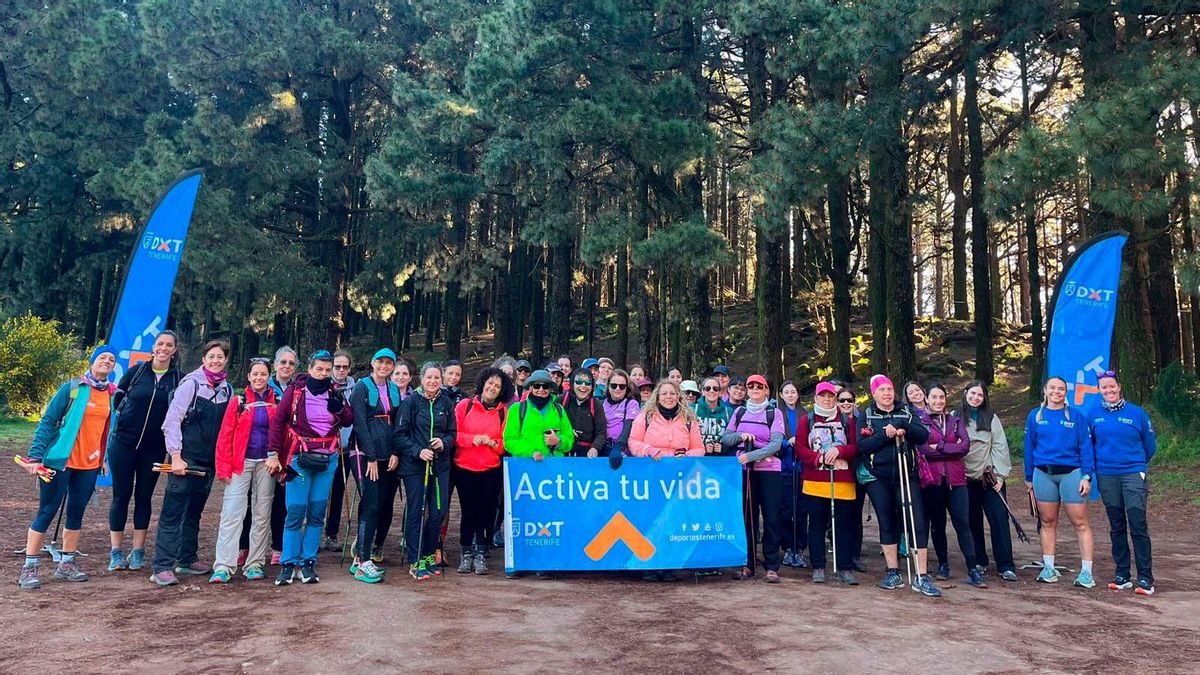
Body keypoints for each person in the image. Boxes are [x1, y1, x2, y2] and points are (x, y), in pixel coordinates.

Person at [19, 346, 118, 589]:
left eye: (112, 359)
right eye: (102, 357)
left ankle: (67, 564)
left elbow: (106, 431)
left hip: (89, 465)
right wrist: (35, 457)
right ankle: (29, 568)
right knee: (47, 510)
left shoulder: (112, 394)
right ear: (92, 362)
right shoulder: (73, 388)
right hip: (59, 461)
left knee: (76, 512)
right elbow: (48, 421)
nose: (107, 361)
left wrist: (103, 458)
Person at [268, 350, 355, 586]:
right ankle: (288, 563)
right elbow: (278, 422)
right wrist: (273, 454)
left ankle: (308, 562)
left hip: (328, 460)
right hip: (300, 458)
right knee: (295, 511)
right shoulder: (296, 391)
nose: (324, 374)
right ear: (310, 369)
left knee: (317, 513)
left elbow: (348, 419)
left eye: (328, 370)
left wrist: (339, 409)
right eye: (320, 369)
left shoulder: (334, 392)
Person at [152, 340, 233, 587]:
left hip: (207, 463)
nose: (216, 361)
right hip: (184, 460)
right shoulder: (190, 384)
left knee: (194, 512)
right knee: (173, 512)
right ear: (204, 358)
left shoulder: (227, 390)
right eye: (211, 356)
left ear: (226, 360)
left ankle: (186, 559)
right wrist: (176, 456)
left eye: (220, 357)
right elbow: (172, 421)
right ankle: (162, 566)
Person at [857, 374, 941, 597]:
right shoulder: (867, 414)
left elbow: (923, 435)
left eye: (889, 389)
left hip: (907, 474)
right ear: (873, 393)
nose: (886, 394)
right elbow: (863, 446)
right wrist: (886, 433)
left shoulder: (905, 410)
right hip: (879, 477)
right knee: (887, 521)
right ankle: (892, 571)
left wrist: (902, 425)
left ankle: (921, 576)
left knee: (916, 521)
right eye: (881, 390)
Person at [107, 331, 181, 573]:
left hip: (154, 448)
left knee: (144, 497)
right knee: (121, 496)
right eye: (160, 343)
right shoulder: (137, 372)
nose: (164, 348)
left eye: (169, 345)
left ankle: (138, 551)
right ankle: (116, 552)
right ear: (153, 347)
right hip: (124, 444)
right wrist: (126, 421)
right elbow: (117, 398)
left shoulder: (178, 378)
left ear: (174, 350)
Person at [209, 358, 279, 583]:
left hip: (266, 464)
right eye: (255, 374)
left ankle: (255, 563)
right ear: (248, 376)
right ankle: (223, 565)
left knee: (261, 513)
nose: (259, 378)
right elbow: (225, 435)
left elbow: (282, 433)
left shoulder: (276, 401)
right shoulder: (238, 402)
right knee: (232, 513)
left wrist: (280, 463)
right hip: (241, 462)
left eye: (263, 374)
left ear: (269, 377)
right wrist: (223, 467)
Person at [628, 379, 704, 582]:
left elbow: (699, 449)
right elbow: (633, 442)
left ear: (678, 396)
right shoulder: (645, 416)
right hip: (651, 476)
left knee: (672, 520)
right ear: (657, 396)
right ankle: (649, 565)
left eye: (672, 393)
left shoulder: (689, 419)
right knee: (650, 518)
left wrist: (687, 457)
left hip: (678, 478)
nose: (669, 397)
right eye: (664, 394)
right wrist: (649, 450)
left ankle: (669, 566)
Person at [1024, 375, 1096, 588]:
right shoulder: (1035, 416)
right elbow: (1029, 448)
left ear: (1066, 392)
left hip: (1071, 473)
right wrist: (1029, 479)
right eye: (1052, 388)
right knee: (1047, 522)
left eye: (1061, 389)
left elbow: (1086, 448)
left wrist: (1087, 475)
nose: (1057, 392)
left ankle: (1086, 573)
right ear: (1045, 390)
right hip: (1043, 474)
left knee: (1080, 523)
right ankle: (1048, 568)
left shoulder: (1076, 417)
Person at [1089, 370, 1157, 595]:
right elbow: (1090, 446)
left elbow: (1150, 446)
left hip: (1133, 473)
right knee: (1117, 525)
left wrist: (1136, 466)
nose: (1108, 390)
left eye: (1112, 386)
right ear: (1099, 390)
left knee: (1137, 523)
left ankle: (1145, 578)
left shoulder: (1137, 413)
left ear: (1119, 387)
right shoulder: (1093, 415)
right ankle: (1122, 575)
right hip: (1107, 475)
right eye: (1104, 388)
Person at [916, 383, 985, 588]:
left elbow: (964, 446)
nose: (938, 401)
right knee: (937, 525)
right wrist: (949, 450)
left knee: (962, 523)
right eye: (934, 397)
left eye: (941, 397)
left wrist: (943, 447)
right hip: (933, 480)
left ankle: (973, 568)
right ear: (927, 399)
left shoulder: (955, 421)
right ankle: (943, 565)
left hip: (957, 480)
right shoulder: (921, 422)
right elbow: (924, 450)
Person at [393, 362, 457, 581]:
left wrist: (444, 443)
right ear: (421, 379)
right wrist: (418, 451)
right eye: (429, 377)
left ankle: (429, 554)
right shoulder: (411, 403)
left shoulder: (446, 403)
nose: (433, 381)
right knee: (417, 511)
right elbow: (399, 435)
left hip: (440, 466)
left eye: (437, 378)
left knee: (438, 512)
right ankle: (415, 558)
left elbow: (452, 433)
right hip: (415, 467)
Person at [722, 374, 786, 583]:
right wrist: (741, 437)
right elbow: (726, 438)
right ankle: (748, 563)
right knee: (748, 516)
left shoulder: (774, 413)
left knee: (771, 517)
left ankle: (771, 565)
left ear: (767, 390)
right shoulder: (739, 412)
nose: (755, 389)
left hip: (769, 470)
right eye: (751, 386)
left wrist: (752, 455)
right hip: (745, 471)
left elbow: (776, 444)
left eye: (760, 386)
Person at [796, 380, 859, 585]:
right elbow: (800, 448)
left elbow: (855, 447)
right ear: (815, 398)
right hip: (815, 479)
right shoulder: (807, 420)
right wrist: (818, 458)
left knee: (844, 525)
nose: (826, 399)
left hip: (842, 479)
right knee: (816, 524)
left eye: (830, 396)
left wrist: (839, 451)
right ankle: (818, 566)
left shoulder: (847, 421)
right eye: (822, 396)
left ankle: (845, 566)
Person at [347, 348, 402, 583]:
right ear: (372, 363)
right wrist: (370, 456)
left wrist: (395, 452)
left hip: (387, 454)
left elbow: (399, 422)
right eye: (380, 362)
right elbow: (359, 423)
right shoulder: (362, 387)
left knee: (381, 505)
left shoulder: (393, 388)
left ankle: (365, 551)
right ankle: (362, 560)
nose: (384, 366)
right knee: (370, 504)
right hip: (364, 455)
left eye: (389, 363)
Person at [453, 367, 513, 575]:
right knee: (468, 511)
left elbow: (506, 443)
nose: (492, 388)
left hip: (490, 469)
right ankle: (466, 551)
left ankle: (481, 552)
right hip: (464, 468)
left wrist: (493, 443)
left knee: (486, 511)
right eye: (490, 383)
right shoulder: (465, 406)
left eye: (497, 386)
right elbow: (453, 435)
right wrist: (472, 440)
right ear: (482, 383)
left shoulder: (505, 412)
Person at [957, 380, 1017, 582]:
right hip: (964, 479)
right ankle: (978, 561)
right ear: (965, 394)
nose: (975, 397)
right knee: (971, 521)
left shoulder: (991, 418)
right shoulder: (954, 417)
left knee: (999, 520)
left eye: (980, 395)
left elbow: (1000, 447)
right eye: (972, 393)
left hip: (989, 478)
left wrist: (999, 475)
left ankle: (1006, 565)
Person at [259, 346, 298, 566]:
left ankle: (278, 547)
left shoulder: (298, 389)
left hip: (289, 453)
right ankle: (247, 548)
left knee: (282, 503)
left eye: (291, 363)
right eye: (283, 362)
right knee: (257, 501)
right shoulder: (265, 384)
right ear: (275, 364)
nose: (286, 367)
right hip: (263, 451)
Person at [373, 358, 414, 562]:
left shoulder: (413, 398)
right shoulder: (381, 393)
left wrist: (398, 452)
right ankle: (366, 536)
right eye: (397, 373)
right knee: (373, 498)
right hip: (378, 452)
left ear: (411, 377)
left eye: (404, 374)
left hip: (402, 455)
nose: (400, 377)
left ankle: (379, 542)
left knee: (388, 498)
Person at [323, 350, 355, 553]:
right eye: (337, 367)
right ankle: (313, 532)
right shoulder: (323, 386)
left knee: (338, 492)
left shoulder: (356, 388)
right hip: (325, 448)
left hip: (347, 448)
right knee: (319, 493)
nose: (341, 370)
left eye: (345, 367)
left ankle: (331, 534)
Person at [776, 381, 808, 569]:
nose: (790, 395)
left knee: (802, 511)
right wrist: (788, 442)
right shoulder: (777, 414)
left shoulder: (805, 415)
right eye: (786, 392)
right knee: (786, 510)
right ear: (781, 394)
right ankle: (788, 547)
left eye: (793, 392)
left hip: (803, 468)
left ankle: (800, 548)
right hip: (784, 467)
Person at [837, 386, 867, 572]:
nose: (846, 403)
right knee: (839, 516)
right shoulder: (832, 420)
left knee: (855, 515)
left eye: (850, 400)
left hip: (857, 472)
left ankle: (854, 555)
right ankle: (839, 553)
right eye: (842, 400)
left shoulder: (861, 420)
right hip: (837, 472)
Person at [563, 369, 608, 458]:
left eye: (587, 383)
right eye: (579, 382)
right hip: (564, 452)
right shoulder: (563, 400)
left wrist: (595, 447)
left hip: (587, 454)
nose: (583, 386)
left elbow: (601, 432)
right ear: (572, 384)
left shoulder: (596, 404)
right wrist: (567, 432)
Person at [602, 369, 641, 466]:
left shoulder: (631, 404)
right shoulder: (601, 403)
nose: (617, 389)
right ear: (608, 386)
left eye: (622, 386)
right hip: (603, 446)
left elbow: (629, 426)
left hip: (622, 449)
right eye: (614, 385)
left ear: (627, 388)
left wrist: (619, 446)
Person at [694, 376, 735, 456]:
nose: (712, 391)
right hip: (697, 460)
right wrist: (701, 448)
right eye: (708, 388)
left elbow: (733, 438)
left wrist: (723, 448)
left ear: (720, 392)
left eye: (715, 388)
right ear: (703, 391)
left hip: (720, 460)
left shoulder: (729, 412)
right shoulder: (693, 409)